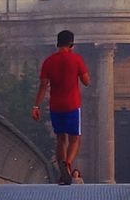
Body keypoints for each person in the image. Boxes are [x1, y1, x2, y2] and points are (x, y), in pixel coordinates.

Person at [32, 29, 91, 185]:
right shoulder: (76, 59)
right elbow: (86, 81)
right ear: (71, 44)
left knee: (60, 139)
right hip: (72, 104)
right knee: (74, 139)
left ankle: (61, 169)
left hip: (56, 106)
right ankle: (68, 163)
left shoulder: (48, 62)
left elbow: (43, 85)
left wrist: (36, 106)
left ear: (57, 43)